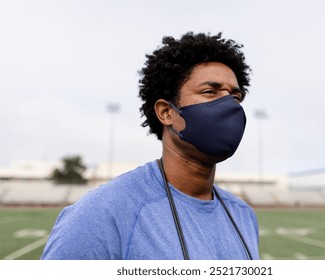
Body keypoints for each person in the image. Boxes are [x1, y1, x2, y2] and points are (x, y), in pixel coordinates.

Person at [41, 32, 260, 260]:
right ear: (166, 113)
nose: (229, 106)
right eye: (209, 92)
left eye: (235, 97)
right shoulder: (103, 214)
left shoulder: (243, 214)